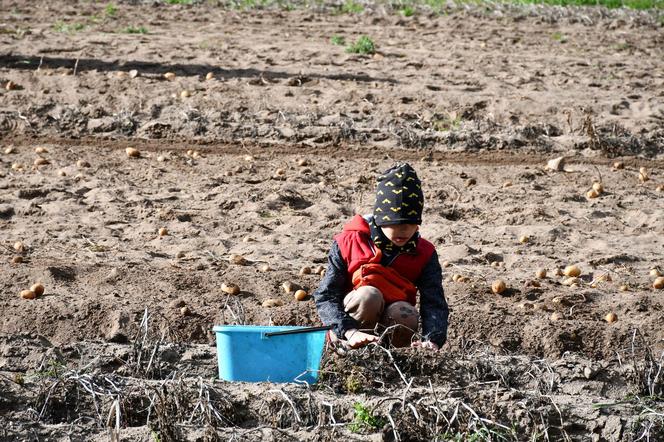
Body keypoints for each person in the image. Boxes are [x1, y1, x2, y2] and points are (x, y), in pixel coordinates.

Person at [313, 163, 449, 350]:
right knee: (369, 296)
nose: (403, 231)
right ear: (380, 218)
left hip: (394, 319)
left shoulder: (425, 253)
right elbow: (326, 295)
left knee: (405, 313)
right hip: (349, 326)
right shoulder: (348, 242)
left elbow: (434, 302)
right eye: (395, 223)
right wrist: (348, 330)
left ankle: (394, 359)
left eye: (410, 224)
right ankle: (347, 348)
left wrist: (432, 339)